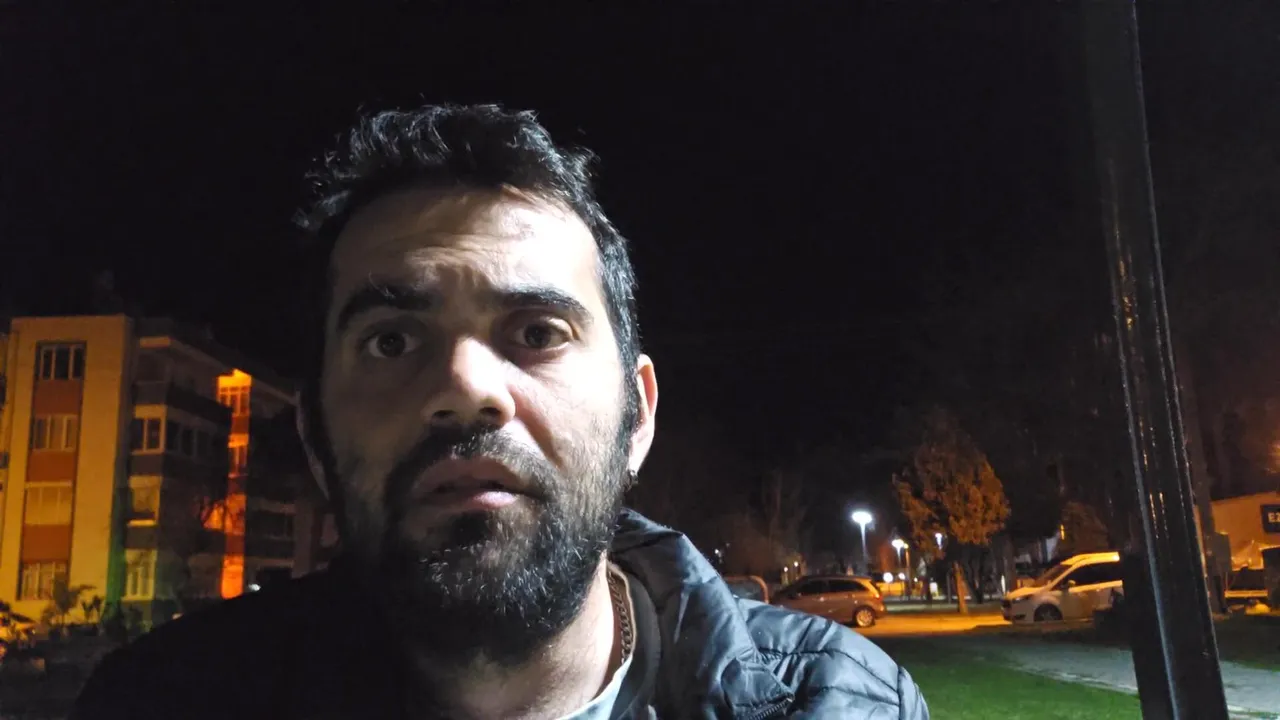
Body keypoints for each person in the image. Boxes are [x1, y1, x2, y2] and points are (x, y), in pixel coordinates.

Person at [73, 104, 929, 719]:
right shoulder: (161, 701)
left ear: (637, 418)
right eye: (390, 342)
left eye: (537, 332)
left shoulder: (845, 703)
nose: (465, 387)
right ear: (314, 434)